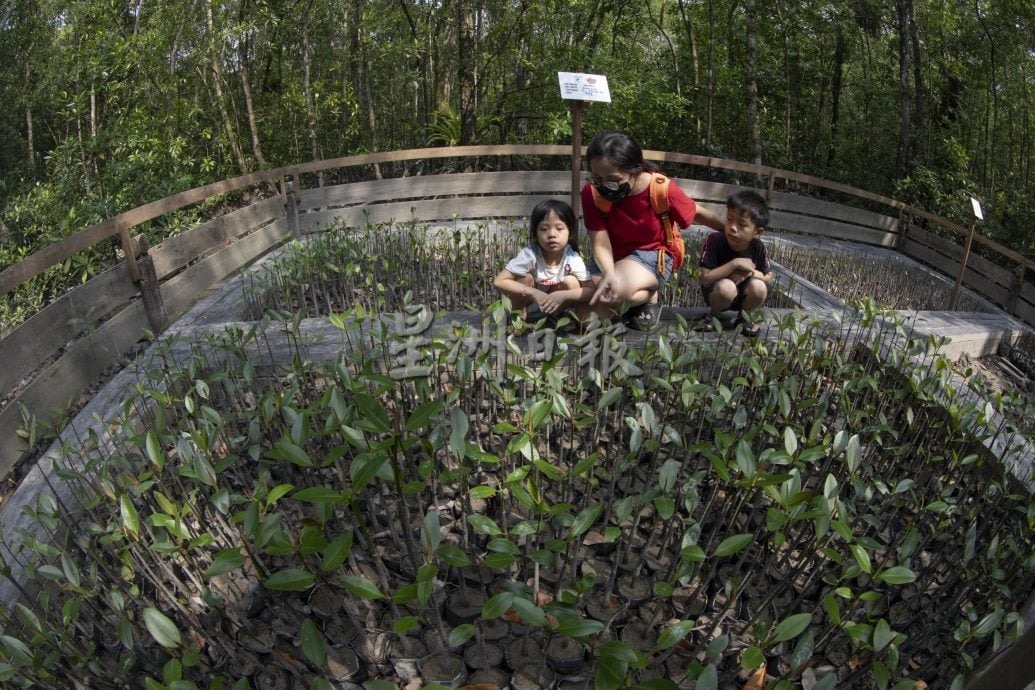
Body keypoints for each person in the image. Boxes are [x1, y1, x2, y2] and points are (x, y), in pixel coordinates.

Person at [581, 130, 725, 331]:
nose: (604, 185)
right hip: (612, 256)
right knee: (585, 313)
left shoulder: (661, 189)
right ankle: (645, 296)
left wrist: (727, 230)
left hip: (652, 253)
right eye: (597, 177)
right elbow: (599, 240)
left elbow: (696, 213)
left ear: (635, 169)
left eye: (613, 178)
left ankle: (634, 292)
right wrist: (608, 273)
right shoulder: (592, 192)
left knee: (607, 294)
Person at [494, 198, 592, 323]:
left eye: (559, 228)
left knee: (571, 281)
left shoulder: (572, 258)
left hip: (552, 307)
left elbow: (591, 290)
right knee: (525, 279)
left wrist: (564, 295)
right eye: (544, 229)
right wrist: (533, 293)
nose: (552, 234)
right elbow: (499, 281)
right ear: (535, 234)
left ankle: (553, 317)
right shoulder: (529, 255)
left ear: (571, 233)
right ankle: (518, 319)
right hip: (529, 307)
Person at [698, 190, 772, 336]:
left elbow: (768, 276)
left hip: (743, 294)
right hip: (717, 293)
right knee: (727, 287)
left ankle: (744, 318)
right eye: (729, 220)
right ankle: (713, 316)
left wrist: (748, 273)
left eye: (741, 224)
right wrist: (735, 264)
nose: (732, 227)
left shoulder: (758, 247)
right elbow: (705, 279)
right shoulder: (715, 240)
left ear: (757, 233)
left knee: (759, 288)